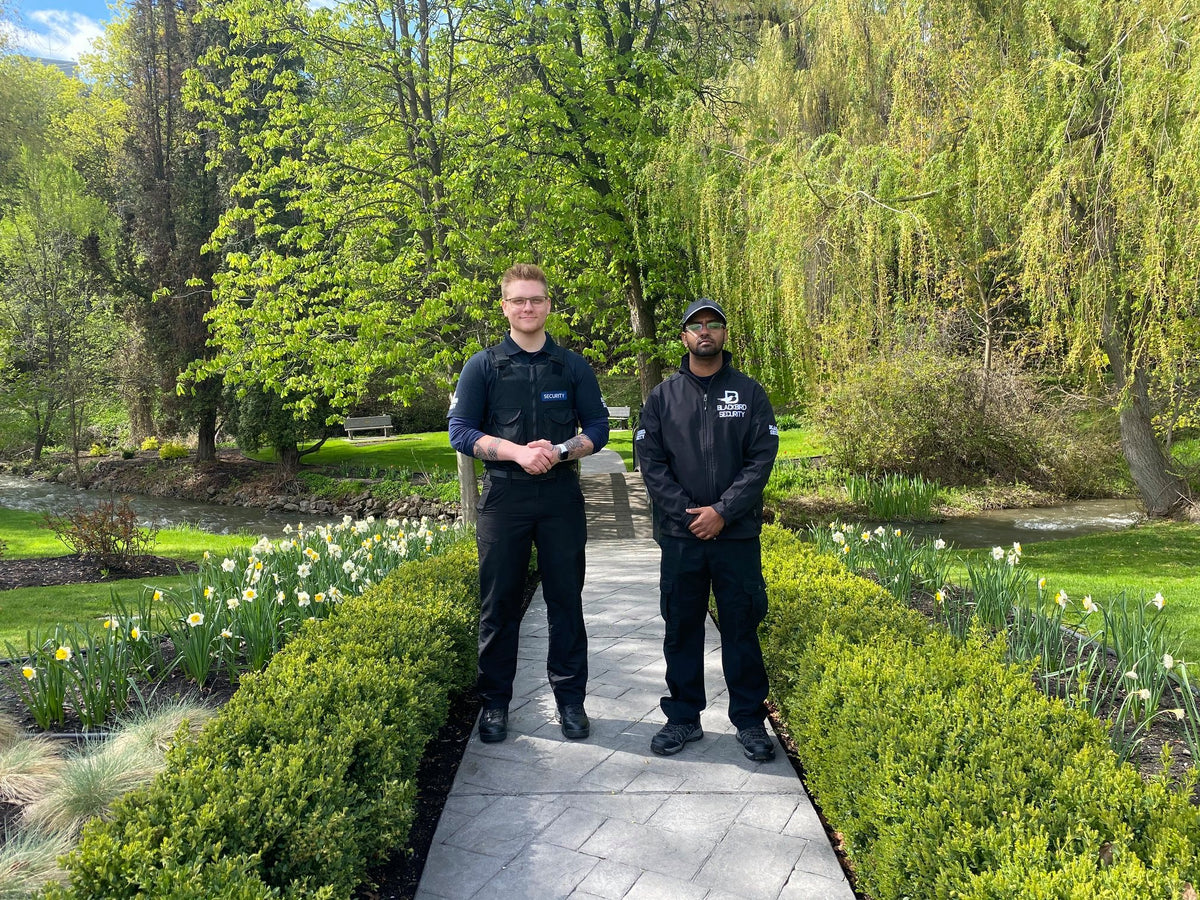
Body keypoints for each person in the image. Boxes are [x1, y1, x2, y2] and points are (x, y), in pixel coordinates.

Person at [448, 263, 609, 743]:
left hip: (560, 497)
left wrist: (559, 451)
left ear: (548, 305)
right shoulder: (482, 366)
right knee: (497, 605)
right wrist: (517, 452)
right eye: (518, 300)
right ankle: (495, 705)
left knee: (566, 603)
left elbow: (598, 428)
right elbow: (460, 431)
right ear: (505, 306)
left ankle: (571, 703)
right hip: (504, 498)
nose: (527, 307)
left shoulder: (573, 366)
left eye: (536, 299)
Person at [635, 298, 780, 761]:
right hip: (681, 540)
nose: (704, 332)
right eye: (695, 326)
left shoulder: (751, 394)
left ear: (723, 334)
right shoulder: (662, 398)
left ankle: (751, 721)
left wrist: (723, 511)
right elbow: (652, 465)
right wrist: (690, 516)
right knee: (681, 627)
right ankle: (682, 718)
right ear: (683, 337)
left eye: (713, 325)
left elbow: (761, 461)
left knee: (742, 627)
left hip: (736, 537)